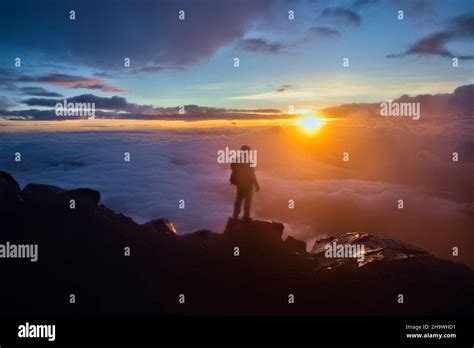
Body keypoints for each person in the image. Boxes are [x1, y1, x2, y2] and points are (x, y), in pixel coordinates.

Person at [230, 145, 260, 221]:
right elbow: (252, 174)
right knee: (247, 201)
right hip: (247, 185)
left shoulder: (236, 160)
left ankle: (235, 216)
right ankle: (245, 217)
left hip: (240, 184)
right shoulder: (248, 161)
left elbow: (233, 170)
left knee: (239, 201)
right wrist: (256, 184)